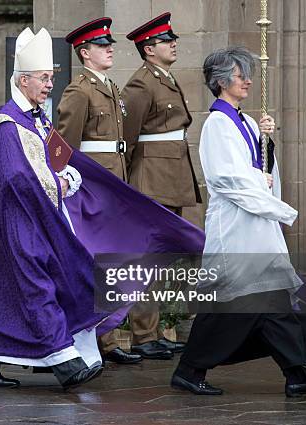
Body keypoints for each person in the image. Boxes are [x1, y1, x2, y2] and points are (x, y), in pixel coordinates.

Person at [170, 46, 306, 396]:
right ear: (220, 82)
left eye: (248, 73)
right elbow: (226, 180)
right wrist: (279, 207)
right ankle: (189, 369)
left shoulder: (246, 122)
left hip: (256, 228)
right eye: (239, 74)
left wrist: (267, 142)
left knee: (275, 304)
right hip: (237, 230)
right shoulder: (217, 124)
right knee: (232, 306)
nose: (248, 80)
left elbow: (260, 168)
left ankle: (296, 374)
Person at [0, 27, 105, 390]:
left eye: (51, 78)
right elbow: (15, 179)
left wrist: (70, 176)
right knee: (37, 285)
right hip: (16, 223)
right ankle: (65, 361)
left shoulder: (38, 119)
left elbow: (58, 158)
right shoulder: (7, 126)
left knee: (12, 291)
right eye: (43, 79)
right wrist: (58, 184)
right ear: (23, 80)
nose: (48, 86)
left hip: (40, 219)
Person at [57, 17, 142, 365]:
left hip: (113, 185)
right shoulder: (79, 91)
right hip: (92, 190)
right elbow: (63, 146)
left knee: (114, 262)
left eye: (109, 45)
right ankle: (92, 339)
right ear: (85, 53)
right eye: (102, 46)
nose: (110, 50)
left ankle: (108, 340)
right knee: (96, 263)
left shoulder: (109, 86)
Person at [120, 12, 201, 361]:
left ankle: (152, 332)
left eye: (173, 39)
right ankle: (143, 334)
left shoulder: (165, 77)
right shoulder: (142, 83)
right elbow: (128, 136)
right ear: (149, 49)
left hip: (171, 176)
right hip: (151, 179)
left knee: (162, 259)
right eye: (167, 41)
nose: (174, 44)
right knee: (148, 259)